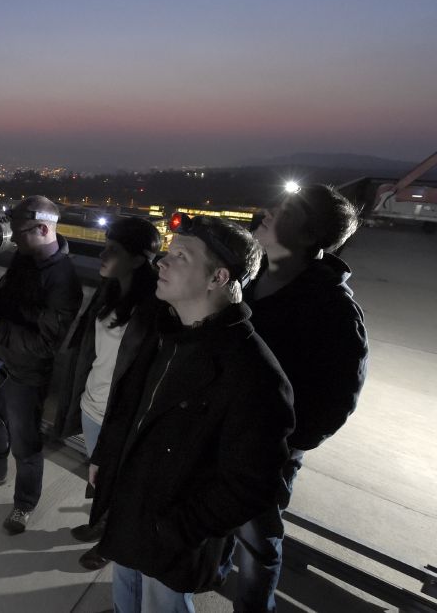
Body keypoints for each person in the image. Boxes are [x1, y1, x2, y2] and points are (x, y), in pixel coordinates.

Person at [79, 215, 295, 613]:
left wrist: (173, 530)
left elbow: (250, 486)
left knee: (163, 603)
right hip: (131, 511)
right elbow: (127, 404)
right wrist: (105, 456)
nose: (162, 261)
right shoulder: (165, 331)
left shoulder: (252, 373)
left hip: (169, 537)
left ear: (218, 278)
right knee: (126, 586)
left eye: (180, 255)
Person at [230, 184, 369, 612]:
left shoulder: (332, 309)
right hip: (219, 434)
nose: (268, 212)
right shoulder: (249, 280)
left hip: (265, 453)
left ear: (310, 237)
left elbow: (338, 399)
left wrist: (284, 444)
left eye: (286, 211)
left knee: (256, 545)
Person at [0, 195, 83, 535]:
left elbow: (43, 345)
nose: (14, 239)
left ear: (43, 228)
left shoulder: (63, 282)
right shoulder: (25, 260)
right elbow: (6, 299)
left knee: (25, 441)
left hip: (27, 374)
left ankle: (25, 503)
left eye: (20, 232)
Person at [52, 217, 161, 543]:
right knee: (100, 475)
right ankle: (101, 524)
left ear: (139, 259)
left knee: (121, 481)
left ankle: (110, 539)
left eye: (112, 250)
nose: (102, 255)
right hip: (92, 406)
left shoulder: (155, 307)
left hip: (121, 415)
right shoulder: (108, 291)